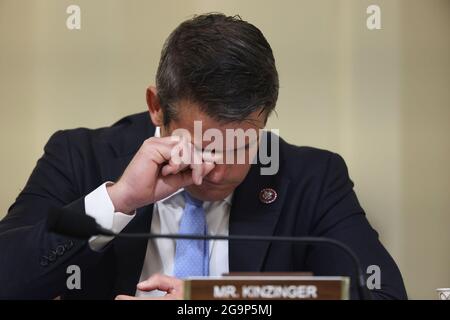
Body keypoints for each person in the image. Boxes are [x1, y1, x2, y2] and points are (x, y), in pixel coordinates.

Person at [0, 13, 407, 300]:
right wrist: (118, 201)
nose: (222, 170)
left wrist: (218, 301)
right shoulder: (80, 157)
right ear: (157, 107)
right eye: (204, 147)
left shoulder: (311, 177)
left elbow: (381, 292)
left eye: (244, 144)